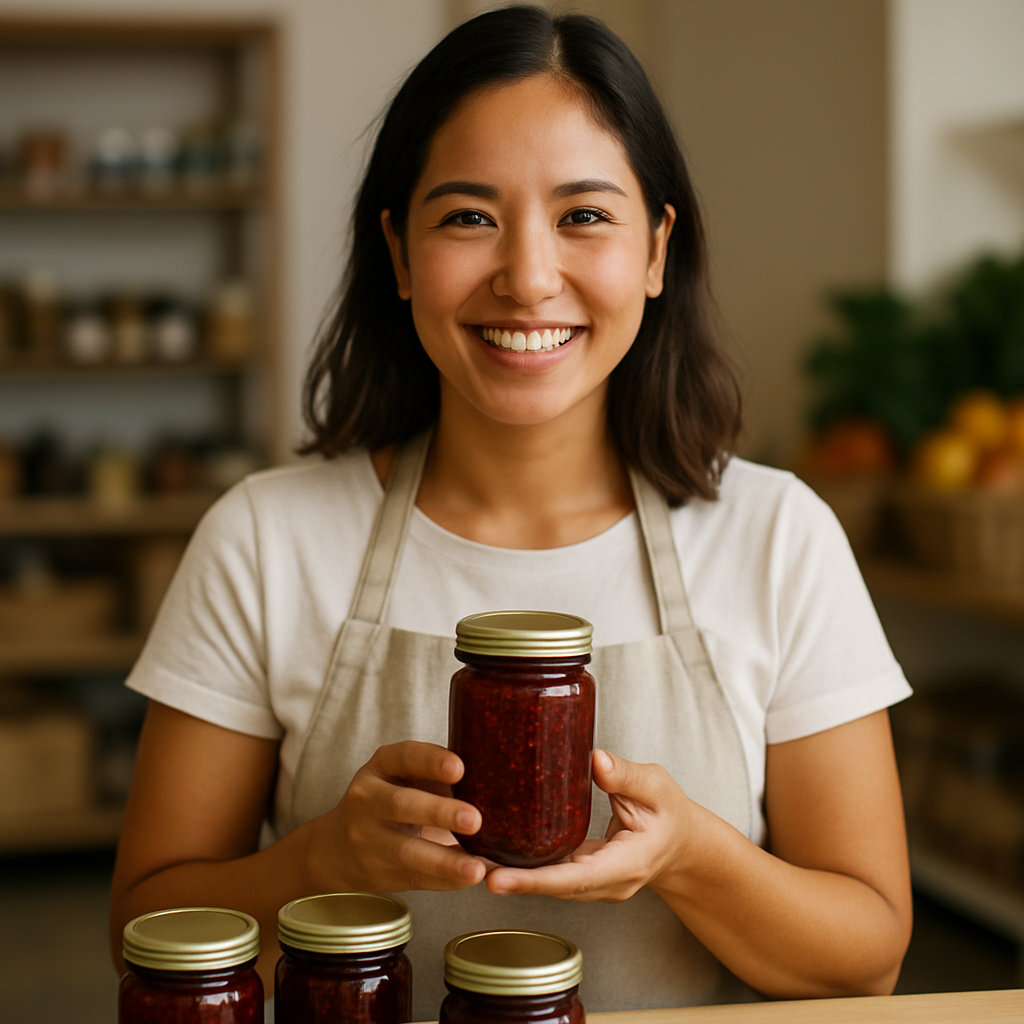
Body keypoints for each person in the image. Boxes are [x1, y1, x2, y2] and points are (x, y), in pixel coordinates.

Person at [109, 5, 913, 1017]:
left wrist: (692, 855)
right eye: (468, 217)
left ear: (658, 251)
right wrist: (324, 856)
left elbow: (866, 958)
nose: (529, 278)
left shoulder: (777, 539)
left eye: (584, 216)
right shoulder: (265, 540)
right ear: (398, 253)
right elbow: (144, 922)